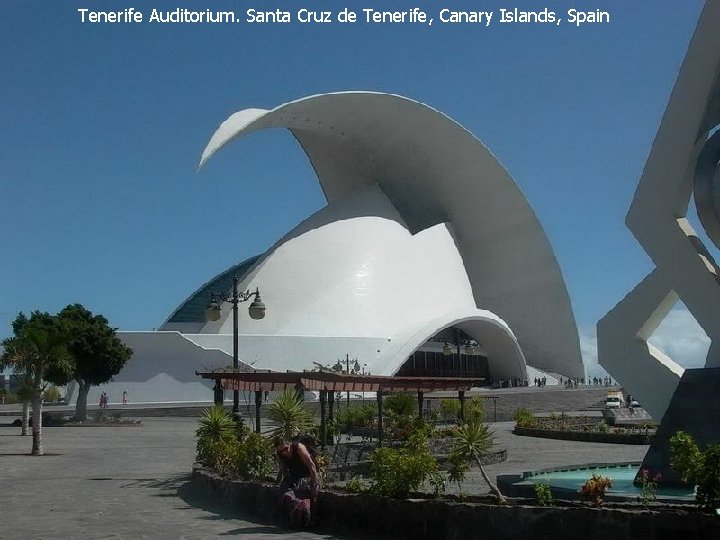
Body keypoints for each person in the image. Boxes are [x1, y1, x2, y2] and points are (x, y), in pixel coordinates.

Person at [275, 436, 319, 527]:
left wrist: (314, 485)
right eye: (281, 451)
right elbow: (282, 469)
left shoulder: (299, 448)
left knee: (305, 494)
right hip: (293, 477)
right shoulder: (280, 454)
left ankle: (305, 517)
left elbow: (312, 466)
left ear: (290, 444)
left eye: (286, 448)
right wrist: (279, 482)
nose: (285, 452)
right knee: (285, 495)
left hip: (306, 476)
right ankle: (296, 513)